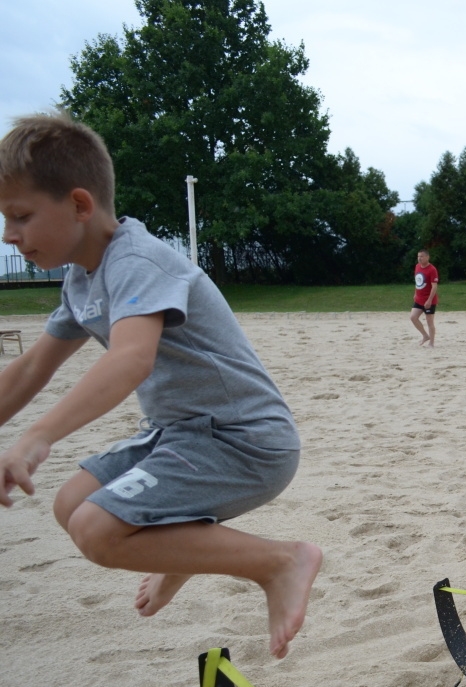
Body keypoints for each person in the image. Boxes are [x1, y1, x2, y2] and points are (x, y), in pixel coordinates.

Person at [0, 114, 320, 659]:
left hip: (242, 440)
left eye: (21, 217)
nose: (10, 235)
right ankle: (184, 552)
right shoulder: (82, 278)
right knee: (70, 504)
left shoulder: (137, 260)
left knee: (98, 529)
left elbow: (130, 361)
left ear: (80, 205)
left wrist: (39, 435)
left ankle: (280, 561)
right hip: (180, 435)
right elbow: (32, 368)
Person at [409, 249, 439, 346]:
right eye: (418, 256)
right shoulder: (417, 267)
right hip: (419, 298)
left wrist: (429, 300)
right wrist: (415, 293)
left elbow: (434, 286)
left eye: (422, 256)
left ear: (427, 257)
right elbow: (417, 282)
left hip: (429, 300)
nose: (419, 258)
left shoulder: (432, 269)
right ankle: (425, 335)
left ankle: (432, 342)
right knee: (413, 317)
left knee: (429, 321)